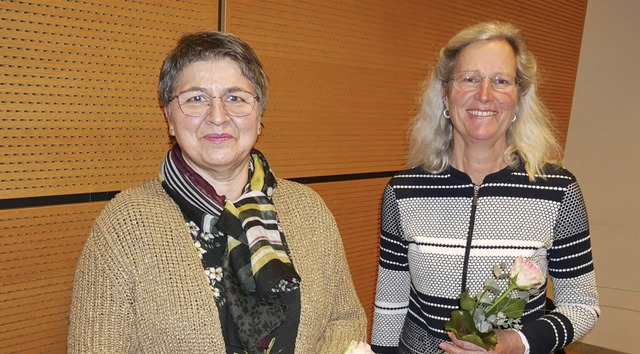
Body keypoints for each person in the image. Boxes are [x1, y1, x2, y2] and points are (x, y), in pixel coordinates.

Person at [67, 30, 367, 353]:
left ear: (260, 115)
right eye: (196, 98)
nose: (218, 117)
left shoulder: (309, 209)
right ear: (169, 117)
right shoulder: (123, 228)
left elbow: (344, 319)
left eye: (235, 98)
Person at [370, 21, 599, 354]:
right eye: (470, 79)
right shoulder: (404, 191)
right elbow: (390, 303)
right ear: (444, 93)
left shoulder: (557, 190)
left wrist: (516, 343)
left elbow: (581, 304)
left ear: (519, 98)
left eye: (501, 81)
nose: (485, 94)